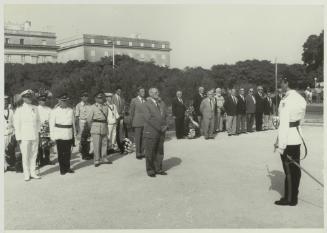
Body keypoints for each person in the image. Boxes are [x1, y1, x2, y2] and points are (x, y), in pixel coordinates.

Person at [274, 76, 306, 206]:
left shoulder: (286, 100)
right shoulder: (300, 98)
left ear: (286, 83)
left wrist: (280, 143)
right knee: (295, 170)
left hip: (287, 138)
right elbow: (301, 119)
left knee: (289, 171)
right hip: (296, 136)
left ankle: (289, 199)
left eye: (281, 82)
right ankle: (293, 197)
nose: (280, 85)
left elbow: (284, 124)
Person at [13, 89, 41, 181]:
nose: (30, 98)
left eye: (31, 97)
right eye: (28, 97)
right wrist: (19, 137)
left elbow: (38, 121)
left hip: (34, 135)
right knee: (25, 155)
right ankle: (26, 174)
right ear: (23, 98)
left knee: (34, 155)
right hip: (24, 136)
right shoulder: (19, 109)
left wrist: (38, 132)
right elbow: (17, 124)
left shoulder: (35, 108)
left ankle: (33, 172)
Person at [143, 88, 168, 177]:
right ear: (150, 94)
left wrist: (166, 125)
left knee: (160, 151)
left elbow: (165, 115)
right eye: (155, 92)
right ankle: (150, 170)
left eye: (158, 92)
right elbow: (149, 118)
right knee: (150, 151)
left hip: (161, 132)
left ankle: (159, 168)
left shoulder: (162, 103)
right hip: (151, 131)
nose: (157, 93)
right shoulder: (146, 104)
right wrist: (160, 127)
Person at [50, 93, 76, 175]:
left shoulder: (71, 110)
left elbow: (73, 123)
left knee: (68, 152)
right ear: (59, 101)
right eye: (62, 101)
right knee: (61, 152)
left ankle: (67, 167)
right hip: (59, 134)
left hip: (68, 133)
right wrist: (52, 136)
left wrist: (74, 134)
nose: (64, 102)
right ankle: (62, 169)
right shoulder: (54, 111)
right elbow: (51, 124)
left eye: (65, 101)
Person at [87, 92, 111, 167]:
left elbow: (106, 117)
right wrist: (92, 128)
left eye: (102, 98)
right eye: (99, 98)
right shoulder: (92, 107)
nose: (101, 99)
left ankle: (104, 158)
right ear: (96, 99)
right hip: (95, 127)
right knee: (96, 144)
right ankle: (96, 160)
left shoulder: (105, 107)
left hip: (104, 126)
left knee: (104, 143)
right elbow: (89, 120)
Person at [37, 94, 55, 166]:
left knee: (47, 144)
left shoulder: (49, 109)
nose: (43, 101)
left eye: (44, 100)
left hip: (47, 127)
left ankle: (47, 159)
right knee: (40, 145)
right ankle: (41, 160)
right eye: (41, 100)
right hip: (39, 128)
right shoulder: (36, 109)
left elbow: (51, 119)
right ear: (38, 101)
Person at [75, 91, 93, 160]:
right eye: (83, 96)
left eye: (86, 96)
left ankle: (87, 152)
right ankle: (82, 152)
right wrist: (77, 127)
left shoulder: (89, 105)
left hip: (88, 122)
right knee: (82, 138)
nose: (85, 97)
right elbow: (77, 117)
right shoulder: (78, 105)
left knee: (88, 138)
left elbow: (91, 115)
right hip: (81, 122)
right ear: (81, 97)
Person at [129, 87, 146, 159]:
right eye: (142, 91)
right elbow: (131, 112)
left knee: (144, 138)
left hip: (145, 122)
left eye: (144, 91)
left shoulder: (145, 100)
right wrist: (131, 121)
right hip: (137, 122)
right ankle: (138, 153)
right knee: (138, 138)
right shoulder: (134, 100)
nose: (143, 93)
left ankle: (142, 152)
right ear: (138, 93)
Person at [112, 86, 126, 153]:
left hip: (121, 116)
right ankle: (114, 146)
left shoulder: (122, 98)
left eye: (120, 91)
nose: (119, 92)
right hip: (115, 117)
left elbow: (124, 107)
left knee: (120, 131)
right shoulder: (112, 98)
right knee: (115, 132)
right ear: (116, 91)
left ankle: (120, 145)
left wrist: (123, 111)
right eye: (118, 91)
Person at [4, 95, 16, 172]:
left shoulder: (11, 111)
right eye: (3, 102)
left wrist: (14, 133)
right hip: (2, 134)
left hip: (10, 133)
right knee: (2, 151)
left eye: (6, 102)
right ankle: (4, 166)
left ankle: (11, 165)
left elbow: (14, 122)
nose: (4, 103)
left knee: (11, 150)